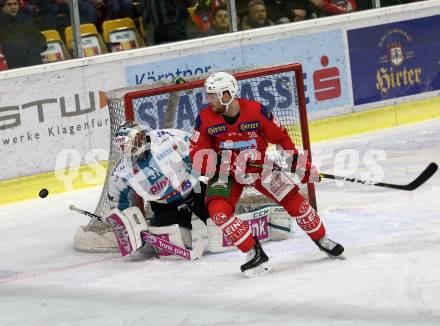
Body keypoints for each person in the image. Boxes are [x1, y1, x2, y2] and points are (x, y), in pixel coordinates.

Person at [189, 71, 344, 277]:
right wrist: (219, 163)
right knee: (218, 211)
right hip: (226, 172)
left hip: (259, 167)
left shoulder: (256, 112)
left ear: (226, 95)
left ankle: (321, 239)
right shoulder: (205, 119)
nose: (208, 101)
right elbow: (196, 153)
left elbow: (281, 137)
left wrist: (298, 163)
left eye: (212, 95)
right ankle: (253, 251)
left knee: (294, 200)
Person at [107, 122, 210, 251]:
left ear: (139, 137)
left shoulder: (169, 138)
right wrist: (127, 225)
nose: (124, 150)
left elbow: (199, 152)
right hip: (164, 205)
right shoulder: (122, 171)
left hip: (195, 190)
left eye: (127, 144)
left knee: (220, 226)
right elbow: (117, 198)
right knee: (175, 249)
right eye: (122, 146)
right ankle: (171, 223)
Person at [0, 0, 47, 69]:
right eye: (9, 4)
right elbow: (9, 43)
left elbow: (40, 38)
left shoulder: (26, 18)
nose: (13, 7)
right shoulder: (1, 23)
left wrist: (35, 52)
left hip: (34, 59)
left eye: (15, 4)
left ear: (19, 6)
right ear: (3, 7)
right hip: (14, 61)